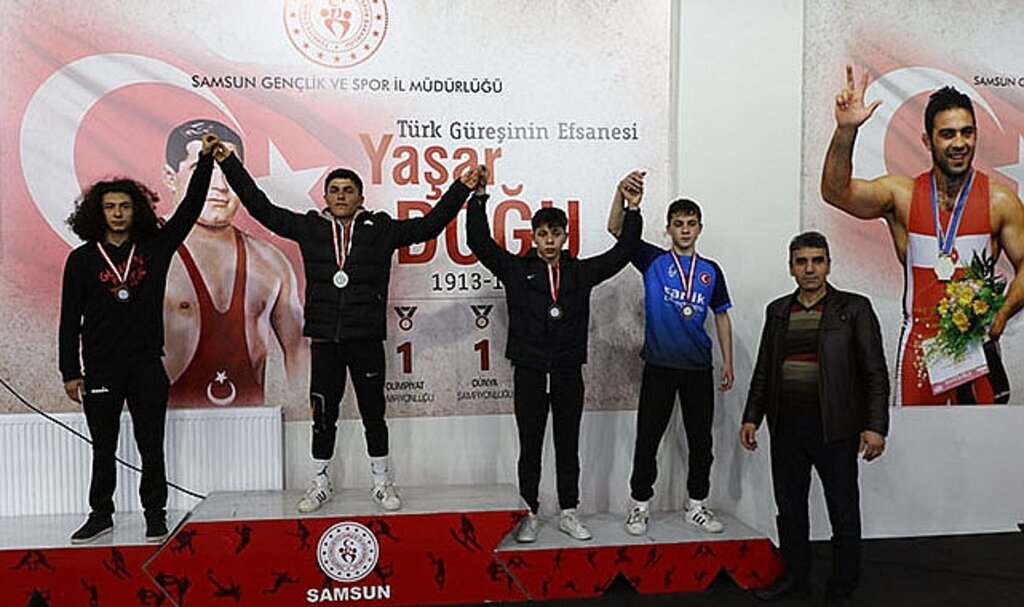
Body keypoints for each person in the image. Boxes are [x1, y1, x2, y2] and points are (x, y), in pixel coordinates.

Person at [213, 143, 481, 512]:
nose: (341, 196)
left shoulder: (381, 230)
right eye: (335, 190)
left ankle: (382, 482)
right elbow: (261, 209)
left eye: (348, 190)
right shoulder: (309, 228)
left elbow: (430, 225)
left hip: (366, 337)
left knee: (373, 413)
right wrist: (229, 163)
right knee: (323, 414)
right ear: (325, 197)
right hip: (325, 339)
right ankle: (320, 482)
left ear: (360, 197)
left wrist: (461, 188)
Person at [820, 65, 1024, 405]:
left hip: (977, 352)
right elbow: (835, 192)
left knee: (979, 439)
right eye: (948, 134)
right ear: (928, 140)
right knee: (917, 438)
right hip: (919, 353)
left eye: (967, 133)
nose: (959, 143)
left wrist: (999, 318)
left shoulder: (999, 201)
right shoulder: (902, 196)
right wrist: (846, 131)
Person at [467, 168, 643, 542]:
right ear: (533, 236)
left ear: (565, 237)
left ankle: (568, 511)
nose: (549, 241)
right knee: (530, 447)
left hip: (567, 371)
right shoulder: (516, 271)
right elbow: (478, 242)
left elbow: (624, 251)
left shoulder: (580, 273)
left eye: (556, 234)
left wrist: (633, 208)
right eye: (543, 234)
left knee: (567, 445)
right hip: (529, 370)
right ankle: (529, 512)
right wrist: (479, 198)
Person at [59, 133, 217, 544]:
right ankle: (100, 514)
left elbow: (189, 209)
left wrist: (204, 161)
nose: (117, 213)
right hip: (100, 367)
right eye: (110, 207)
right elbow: (69, 320)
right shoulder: (81, 260)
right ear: (98, 212)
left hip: (147, 364)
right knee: (103, 446)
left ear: (137, 210)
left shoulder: (156, 249)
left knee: (151, 444)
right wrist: (70, 371)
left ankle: (154, 515)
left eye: (125, 206)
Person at [740, 231, 889, 605]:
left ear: (828, 265)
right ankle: (795, 577)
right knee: (790, 509)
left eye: (817, 260)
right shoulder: (778, 311)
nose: (810, 269)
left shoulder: (853, 309)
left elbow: (875, 372)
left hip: (835, 428)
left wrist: (875, 426)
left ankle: (842, 586)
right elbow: (764, 370)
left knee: (843, 510)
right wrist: (751, 417)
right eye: (802, 261)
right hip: (786, 428)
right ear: (791, 267)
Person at [607, 172, 734, 536]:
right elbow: (616, 229)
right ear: (668, 229)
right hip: (659, 366)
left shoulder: (710, 271)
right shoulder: (652, 260)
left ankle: (696, 506)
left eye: (691, 224)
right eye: (678, 224)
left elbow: (721, 315)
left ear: (700, 228)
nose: (685, 230)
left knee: (701, 442)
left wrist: (728, 361)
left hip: (697, 368)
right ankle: (639, 505)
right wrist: (622, 196)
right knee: (648, 439)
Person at [161, 119, 306, 408]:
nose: (220, 186)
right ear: (170, 177)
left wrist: (302, 421)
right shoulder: (148, 254)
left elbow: (299, 355)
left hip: (249, 421)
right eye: (202, 170)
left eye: (227, 171)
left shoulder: (271, 263)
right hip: (171, 421)